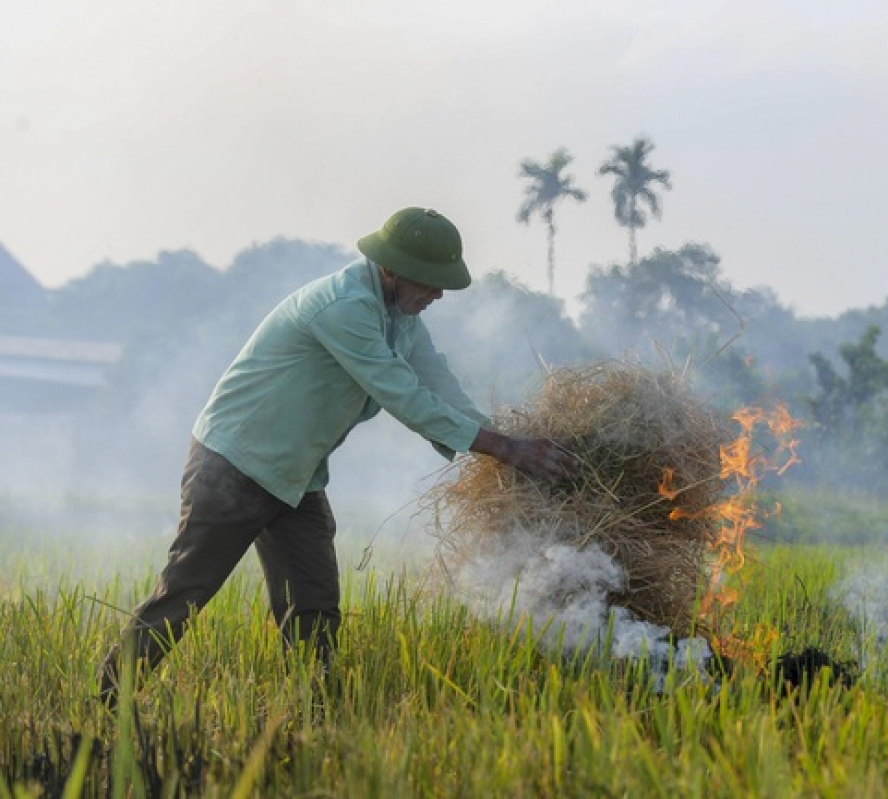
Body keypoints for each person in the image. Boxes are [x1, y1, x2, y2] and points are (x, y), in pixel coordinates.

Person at [98, 207, 576, 704]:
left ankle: (312, 710)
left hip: (296, 475)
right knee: (186, 591)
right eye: (432, 283)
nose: (438, 295)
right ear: (392, 270)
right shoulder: (344, 308)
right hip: (235, 463)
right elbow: (403, 395)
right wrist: (502, 449)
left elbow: (438, 384)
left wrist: (506, 443)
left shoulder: (401, 318)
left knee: (314, 599)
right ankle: (109, 697)